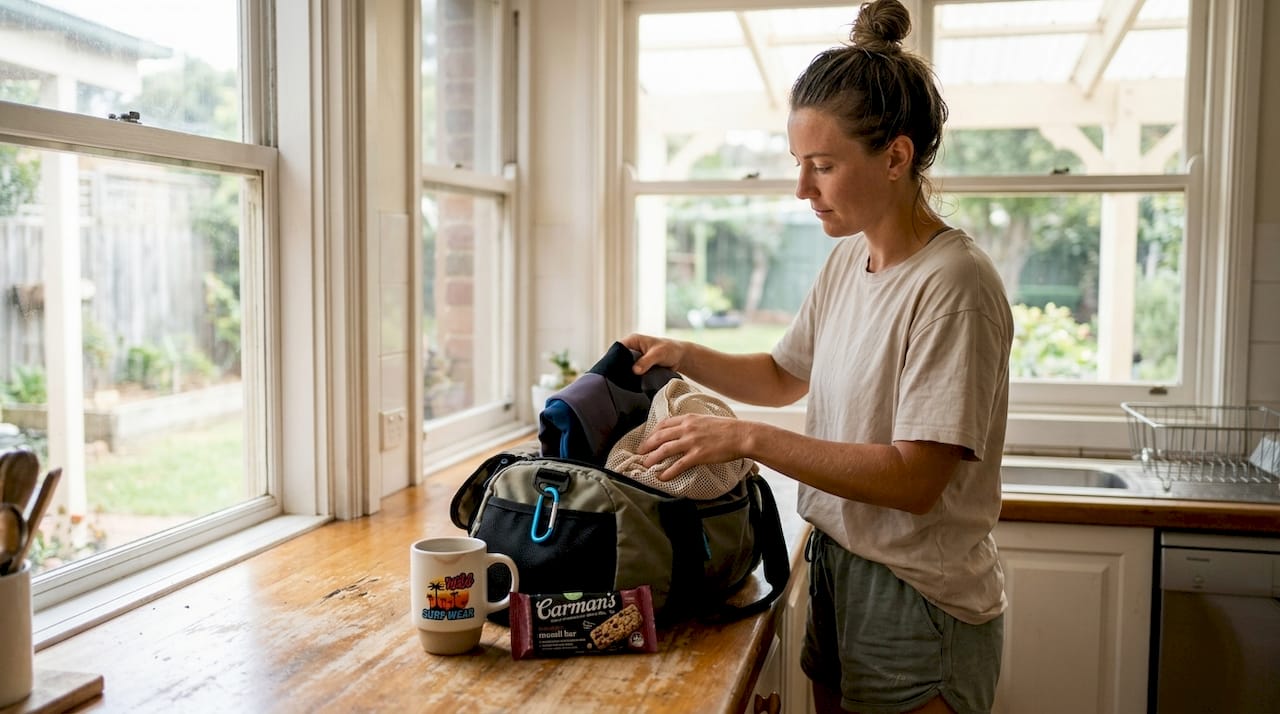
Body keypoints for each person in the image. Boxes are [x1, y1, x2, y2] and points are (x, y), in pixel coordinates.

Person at [620, 1, 1012, 713]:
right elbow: (780, 375)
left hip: (918, 597)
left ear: (896, 156)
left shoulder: (953, 284)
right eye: (799, 164)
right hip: (835, 564)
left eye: (823, 166)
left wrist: (745, 437)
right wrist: (682, 352)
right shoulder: (847, 263)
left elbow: (915, 478)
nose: (803, 189)